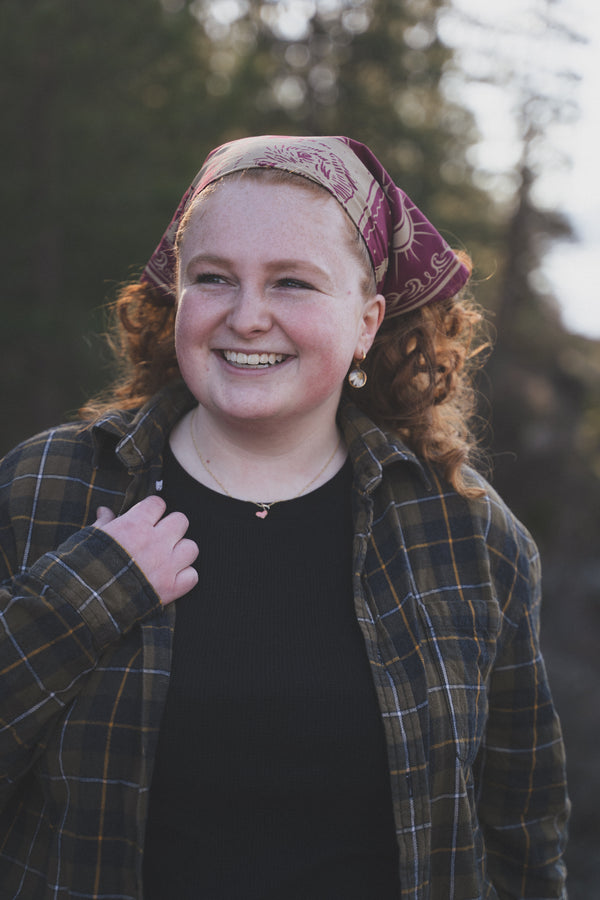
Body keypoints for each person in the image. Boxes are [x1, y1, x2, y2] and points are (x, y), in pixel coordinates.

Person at [0, 135, 569, 899]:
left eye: (293, 283)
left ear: (367, 321)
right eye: (213, 279)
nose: (247, 316)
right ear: (179, 297)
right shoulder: (48, 487)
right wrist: (80, 599)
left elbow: (523, 840)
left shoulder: (468, 535)